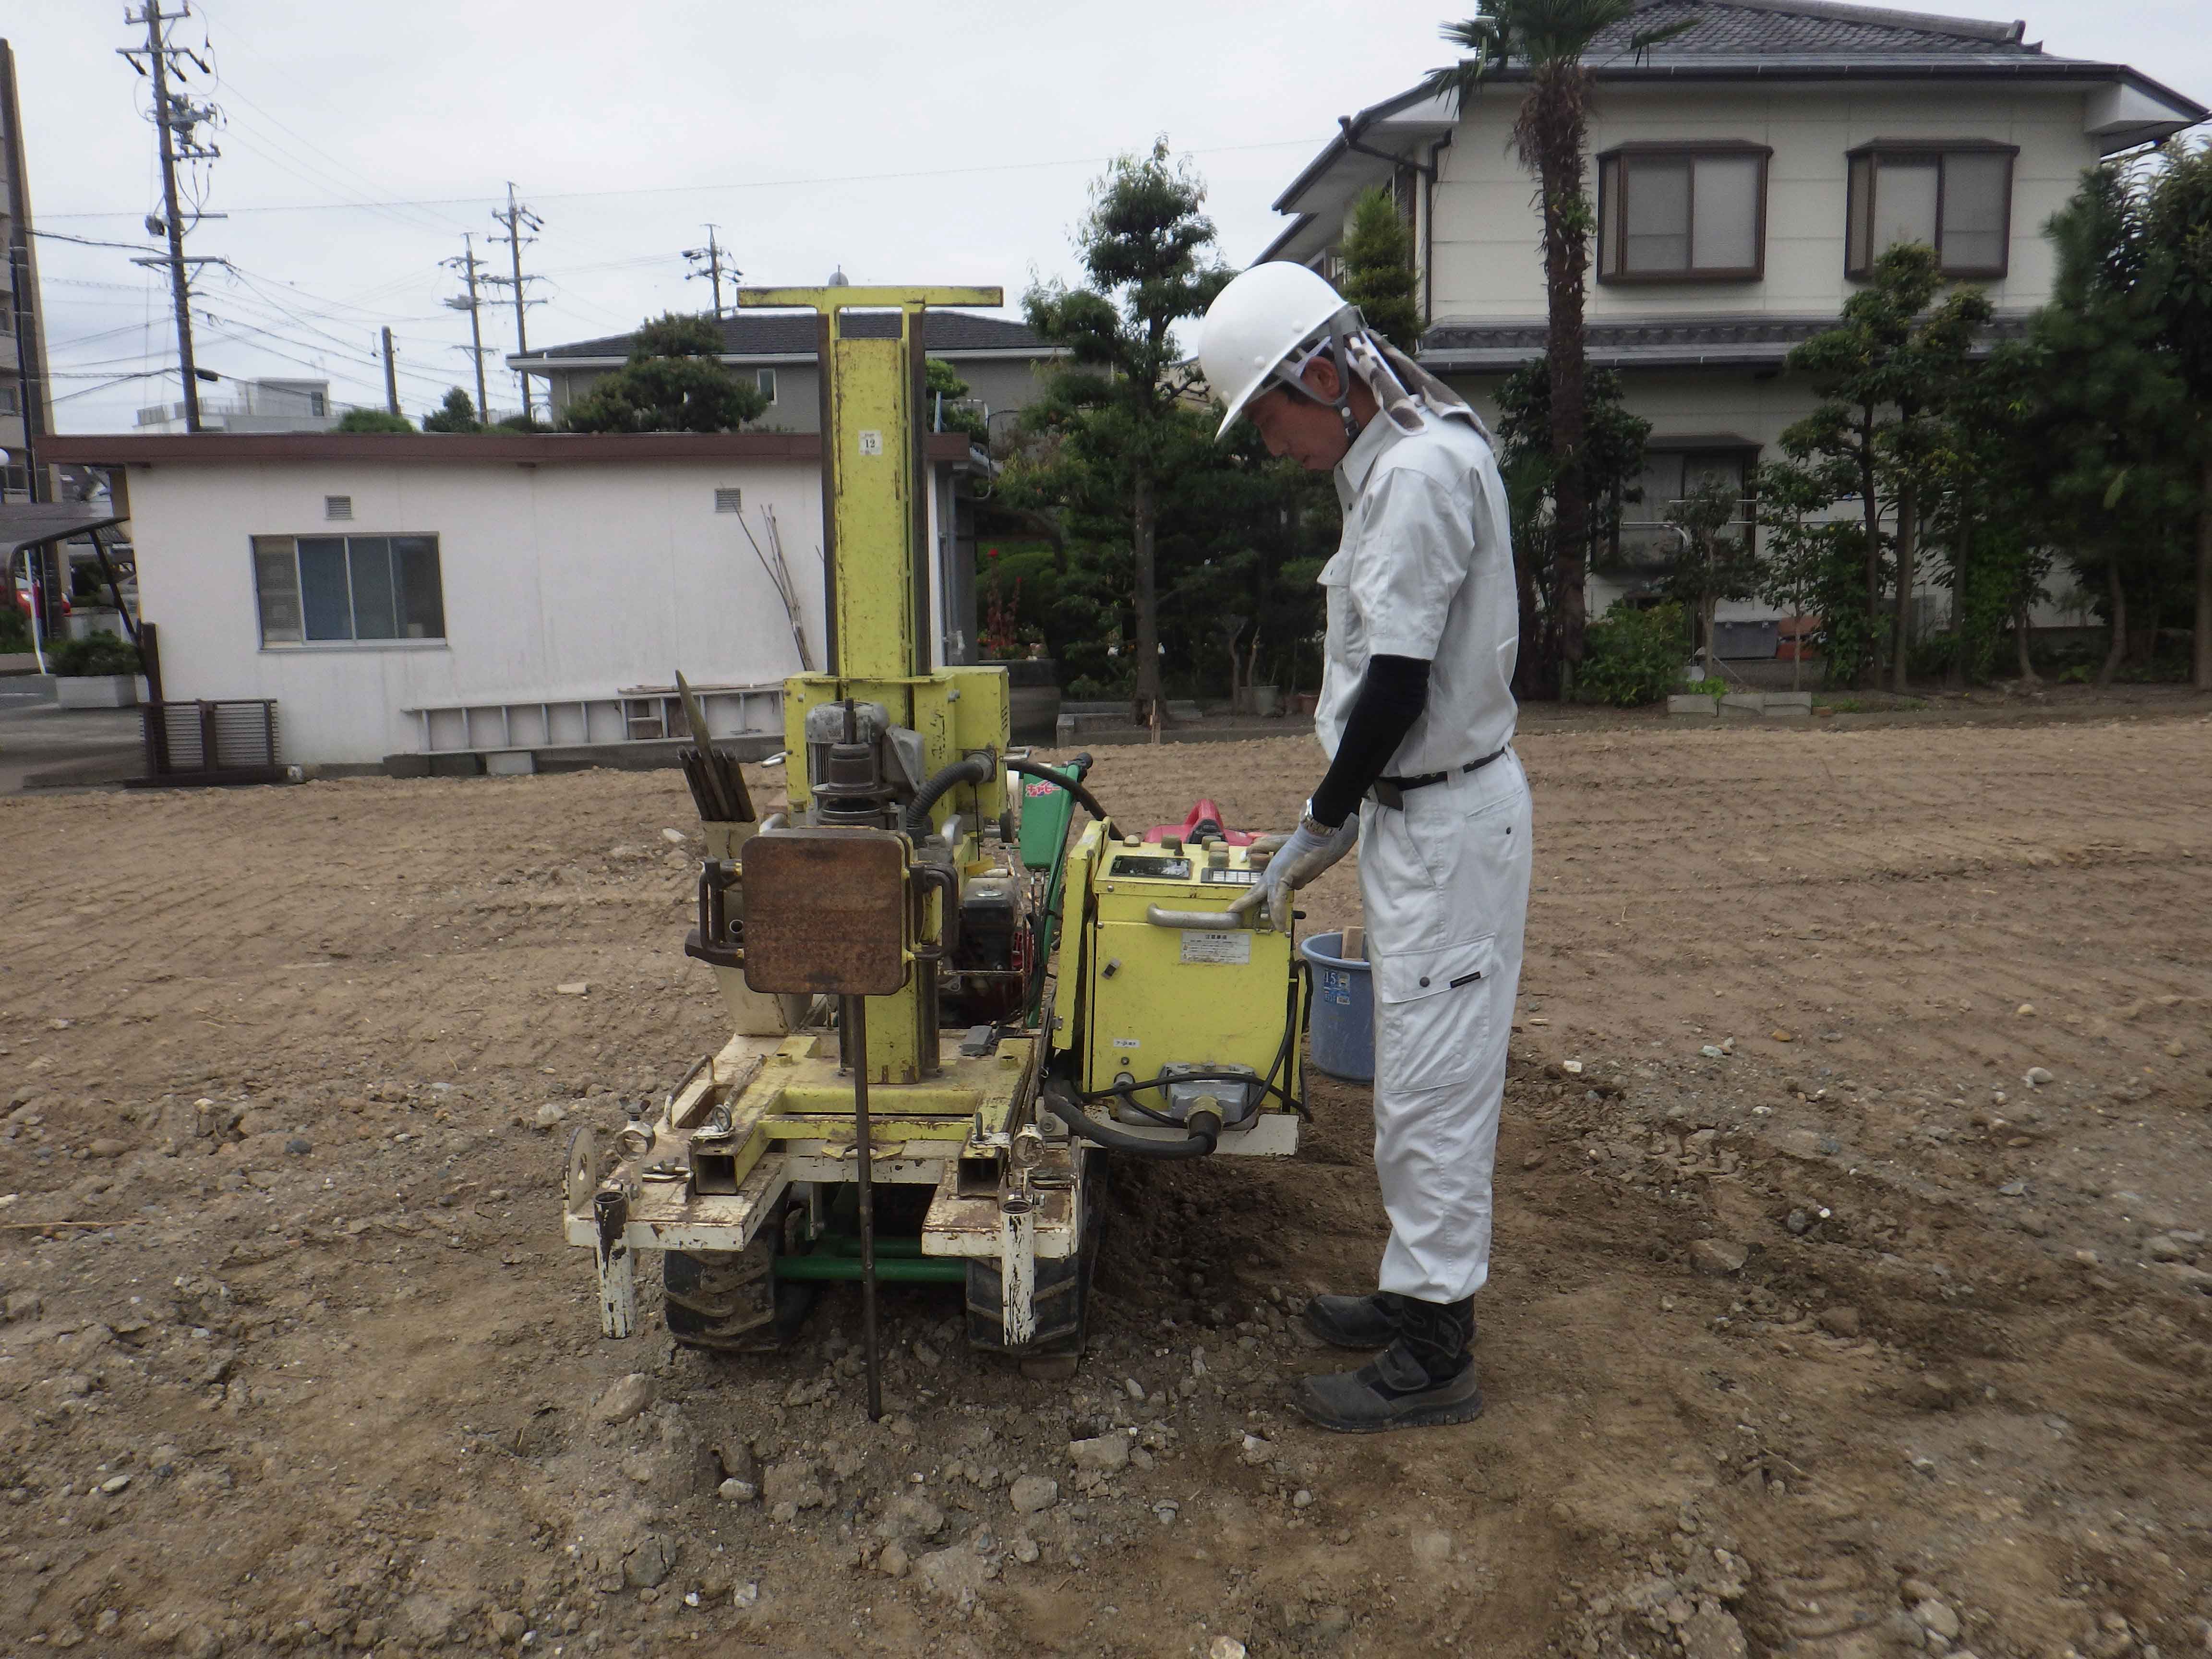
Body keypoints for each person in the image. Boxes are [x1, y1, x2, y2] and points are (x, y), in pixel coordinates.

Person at [1198, 262, 1532, 1433]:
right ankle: (1412, 1294)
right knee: (1415, 1075)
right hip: (1422, 815)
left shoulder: (1420, 474)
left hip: (1440, 816)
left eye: (1268, 418)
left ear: (1324, 375)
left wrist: (1321, 820)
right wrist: (1346, 816)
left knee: (1436, 1088)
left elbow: (1395, 685)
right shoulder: (1400, 458)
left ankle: (1437, 1352)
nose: (1270, 446)